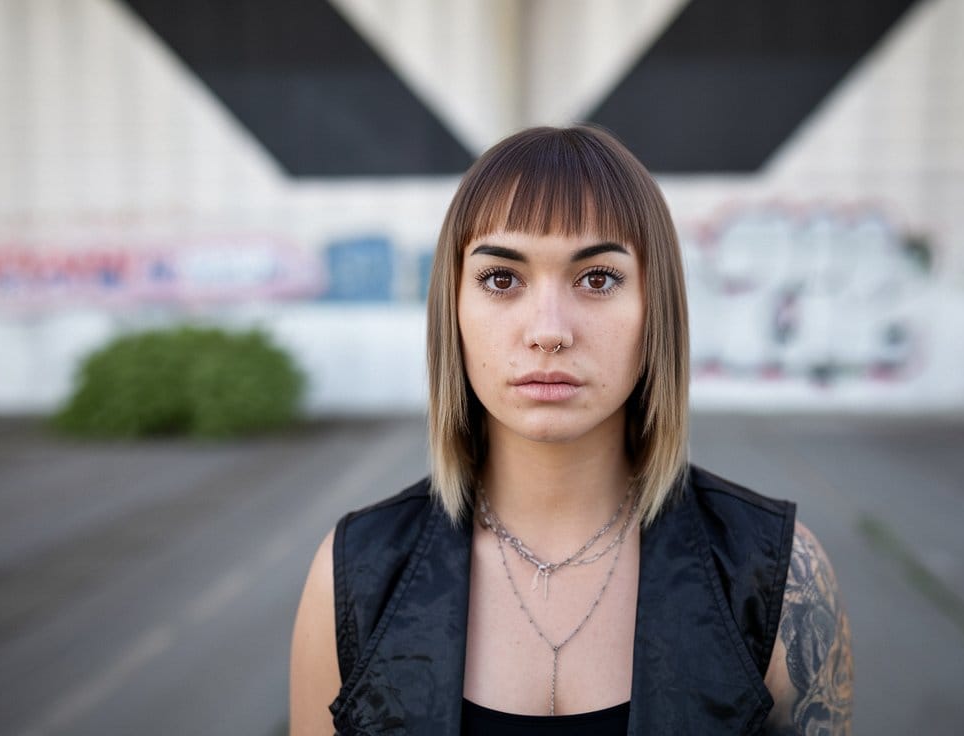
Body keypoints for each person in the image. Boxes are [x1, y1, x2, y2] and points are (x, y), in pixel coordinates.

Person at [290, 125, 852, 735]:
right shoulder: (354, 572)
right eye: (501, 279)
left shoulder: (777, 577)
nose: (549, 330)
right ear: (452, 309)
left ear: (654, 307)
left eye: (598, 279)